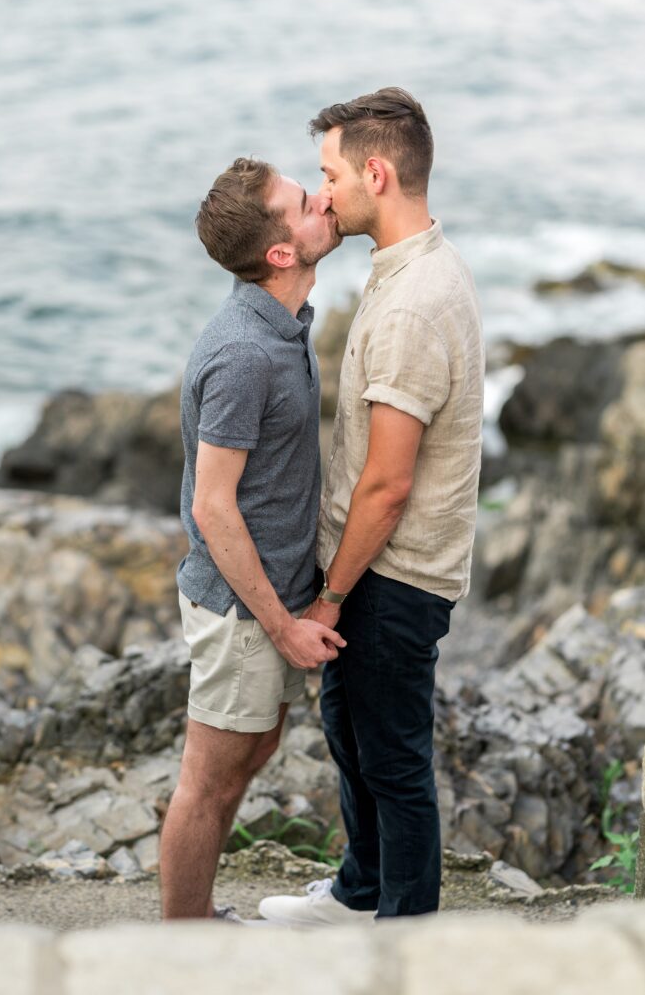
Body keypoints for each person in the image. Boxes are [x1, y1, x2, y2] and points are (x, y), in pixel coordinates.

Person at [258, 87, 484, 924]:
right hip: (375, 569)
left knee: (390, 760)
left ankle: (402, 937)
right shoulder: (409, 270)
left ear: (376, 174)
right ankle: (359, 896)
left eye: (330, 175)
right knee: (353, 740)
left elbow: (387, 485)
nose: (321, 197)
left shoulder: (414, 304)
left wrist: (329, 594)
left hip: (393, 576)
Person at [160, 157, 346, 920]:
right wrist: (283, 626)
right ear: (280, 253)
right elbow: (213, 508)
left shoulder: (285, 322)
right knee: (209, 779)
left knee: (252, 751)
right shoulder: (243, 353)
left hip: (269, 594)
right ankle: (184, 944)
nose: (325, 198)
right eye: (306, 202)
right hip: (242, 611)